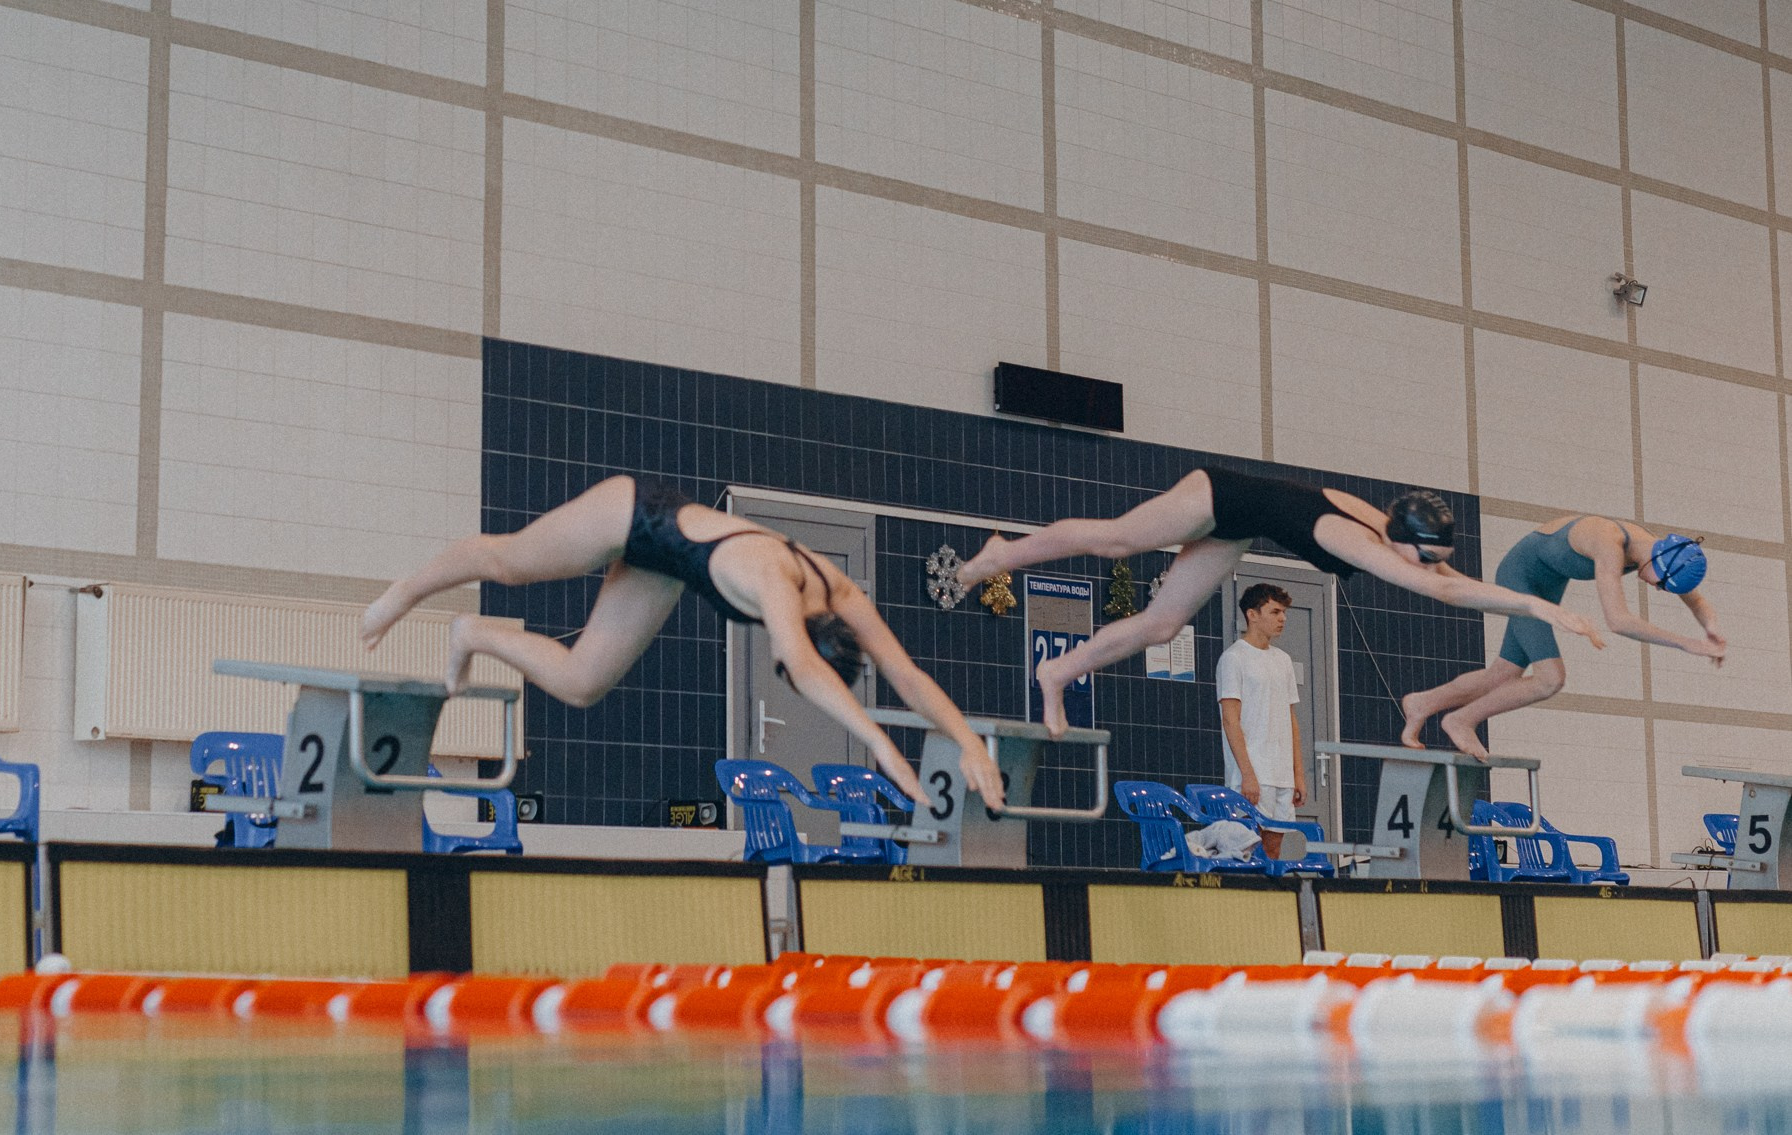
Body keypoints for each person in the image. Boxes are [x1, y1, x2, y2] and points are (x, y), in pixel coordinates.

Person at [358, 475, 1007, 810]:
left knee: (582, 683)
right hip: (635, 513)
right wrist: (879, 743)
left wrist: (968, 739)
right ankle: (406, 592)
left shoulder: (843, 595)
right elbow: (804, 665)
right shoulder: (776, 580)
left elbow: (907, 673)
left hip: (665, 566)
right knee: (510, 563)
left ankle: (474, 633)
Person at [948, 467, 1605, 735]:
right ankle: (1003, 554)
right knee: (1117, 540)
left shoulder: (1397, 533)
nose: (1430, 565)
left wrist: (1526, 602)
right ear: (1403, 539)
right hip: (1218, 495)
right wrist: (1540, 607)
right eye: (1424, 555)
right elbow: (1443, 588)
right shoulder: (1355, 539)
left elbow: (1447, 577)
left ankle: (1058, 671)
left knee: (1163, 624)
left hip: (1240, 525)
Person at [1398, 515, 1720, 759]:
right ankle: (1462, 720)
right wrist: (1686, 643)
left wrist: (1712, 628)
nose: (1658, 589)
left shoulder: (1661, 552)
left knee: (1502, 675)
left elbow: (1697, 601)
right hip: (1520, 576)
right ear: (1658, 562)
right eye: (1662, 584)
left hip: (1547, 584)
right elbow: (1619, 621)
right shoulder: (1610, 543)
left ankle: (1422, 703)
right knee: (1550, 679)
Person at [1218, 582, 1302, 860]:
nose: (1282, 619)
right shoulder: (1233, 658)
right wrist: (1247, 774)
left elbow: (1291, 720)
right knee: (1248, 849)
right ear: (1252, 615)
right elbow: (1230, 720)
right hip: (1253, 772)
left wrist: (1298, 775)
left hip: (1282, 775)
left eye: (1284, 612)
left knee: (1273, 850)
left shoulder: (1284, 660)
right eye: (1275, 612)